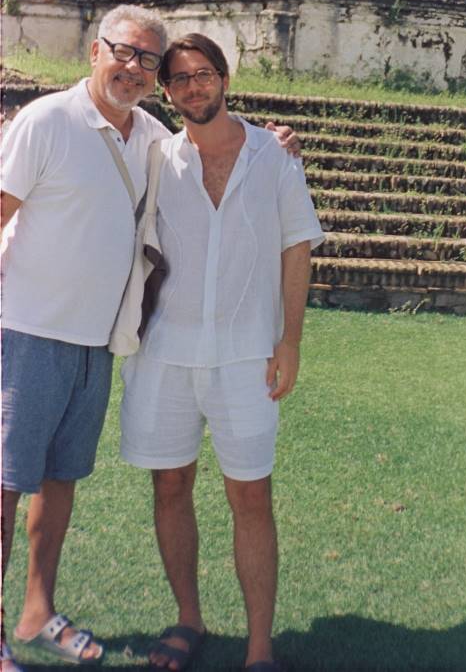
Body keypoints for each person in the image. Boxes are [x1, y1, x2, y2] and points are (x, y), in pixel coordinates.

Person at [0, 8, 297, 672]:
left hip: (98, 340)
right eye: (125, 54)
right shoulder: (47, 120)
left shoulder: (150, 138)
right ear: (94, 50)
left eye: (147, 62)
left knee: (58, 480)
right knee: (5, 483)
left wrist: (276, 143)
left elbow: (229, 148)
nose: (133, 69)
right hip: (27, 327)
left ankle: (37, 609)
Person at [119, 33, 323, 672]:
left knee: (251, 496)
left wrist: (289, 340)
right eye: (179, 79)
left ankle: (260, 648)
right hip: (165, 354)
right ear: (168, 91)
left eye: (204, 74)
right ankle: (189, 620)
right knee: (171, 485)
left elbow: (297, 246)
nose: (193, 87)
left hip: (245, 354)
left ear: (226, 79)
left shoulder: (273, 155)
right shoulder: (157, 156)